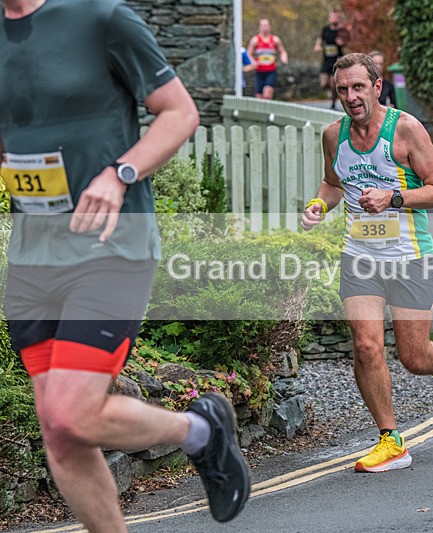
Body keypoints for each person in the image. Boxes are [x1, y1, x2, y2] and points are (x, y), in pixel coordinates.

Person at [0, 0, 250, 529]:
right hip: (32, 255)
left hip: (112, 249)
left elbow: (179, 112)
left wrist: (120, 173)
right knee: (60, 434)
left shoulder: (101, 18)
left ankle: (201, 431)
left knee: (72, 411)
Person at [300, 53, 433, 473]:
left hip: (409, 257)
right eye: (342, 90)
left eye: (358, 87)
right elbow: (332, 183)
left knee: (414, 356)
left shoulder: (406, 130)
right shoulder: (332, 135)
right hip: (359, 256)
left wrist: (392, 198)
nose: (350, 97)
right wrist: (317, 206)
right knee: (365, 345)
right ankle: (391, 440)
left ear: (377, 87)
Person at [246, 17, 289, 100]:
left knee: (267, 93)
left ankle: (269, 111)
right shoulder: (255, 40)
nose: (265, 28)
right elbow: (248, 54)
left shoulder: (275, 40)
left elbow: (282, 51)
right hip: (259, 71)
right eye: (263, 26)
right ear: (260, 27)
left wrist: (284, 58)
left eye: (266, 26)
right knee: (259, 96)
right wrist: (252, 62)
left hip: (271, 70)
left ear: (269, 27)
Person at [314, 10, 346, 109]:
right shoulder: (325, 29)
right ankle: (330, 92)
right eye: (332, 17)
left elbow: (348, 42)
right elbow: (320, 39)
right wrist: (318, 46)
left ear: (339, 18)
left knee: (333, 84)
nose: (334, 19)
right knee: (323, 84)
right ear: (329, 18)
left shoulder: (342, 31)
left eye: (336, 17)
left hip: (337, 61)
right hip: (326, 60)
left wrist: (342, 43)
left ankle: (333, 103)